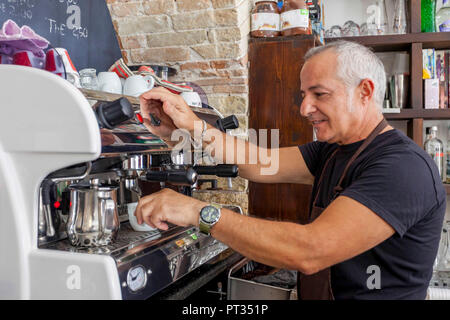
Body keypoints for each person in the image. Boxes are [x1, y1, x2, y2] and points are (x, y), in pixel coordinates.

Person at [134, 40, 446, 300]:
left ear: (364, 92)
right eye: (303, 95)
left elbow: (309, 250)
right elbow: (258, 163)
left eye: (319, 94)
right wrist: (190, 125)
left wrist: (198, 213)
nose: (304, 108)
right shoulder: (333, 150)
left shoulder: (402, 168)